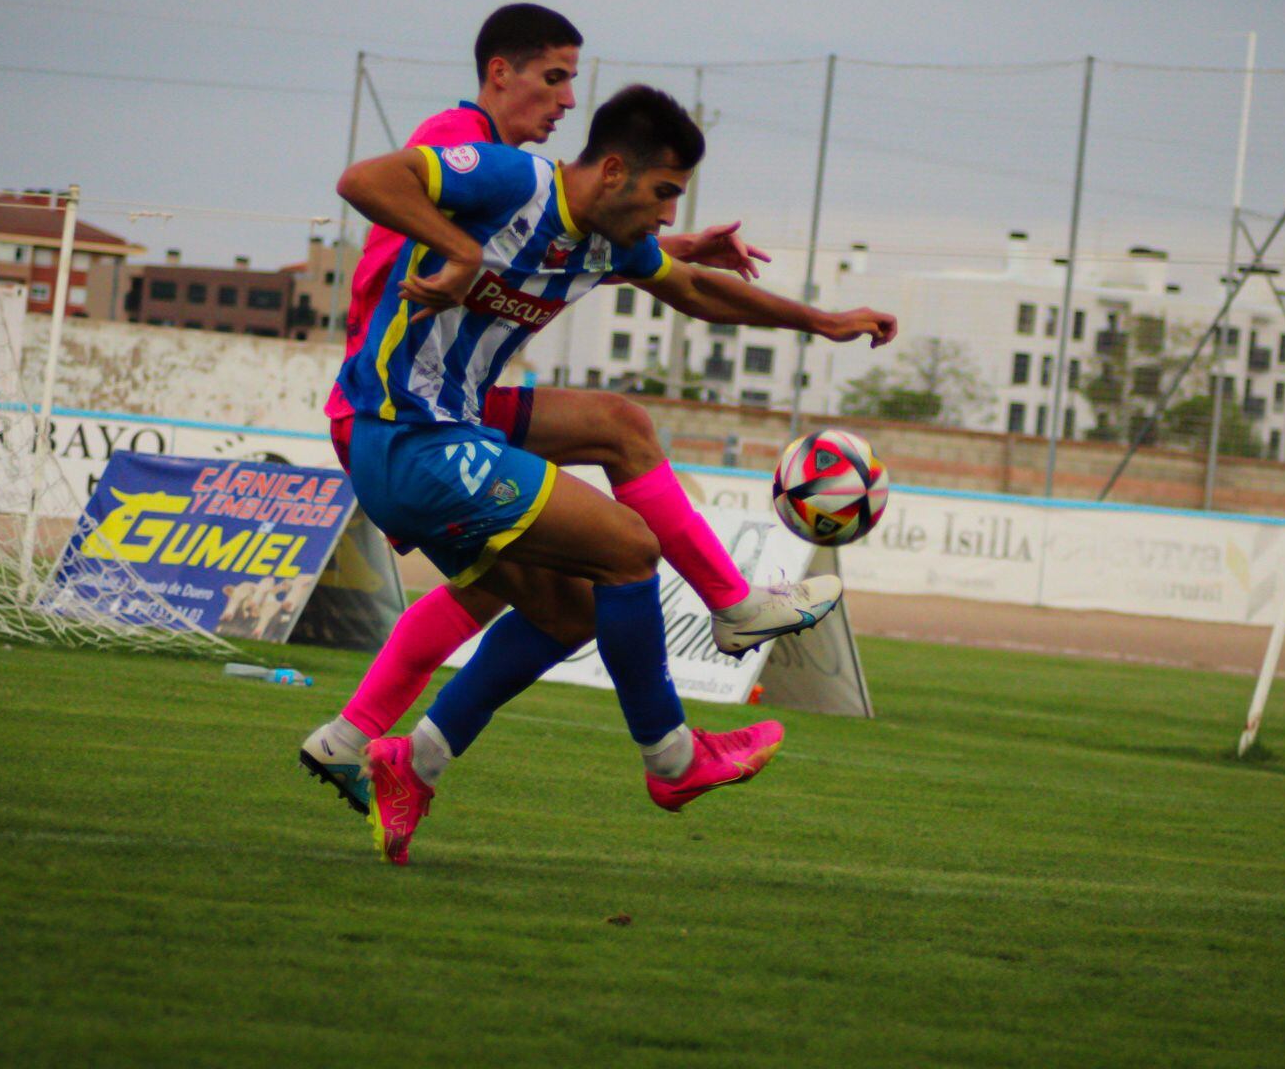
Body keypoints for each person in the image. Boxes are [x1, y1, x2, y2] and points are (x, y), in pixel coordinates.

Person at [330, 85, 895, 863]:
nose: (668, 216)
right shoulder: (512, 180)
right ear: (614, 172)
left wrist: (821, 321)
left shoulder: (605, 242)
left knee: (574, 591)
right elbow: (365, 180)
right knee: (629, 550)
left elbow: (694, 290)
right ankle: (672, 758)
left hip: (450, 426)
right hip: (404, 433)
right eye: (663, 194)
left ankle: (411, 761)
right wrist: (459, 250)